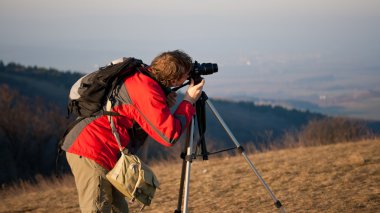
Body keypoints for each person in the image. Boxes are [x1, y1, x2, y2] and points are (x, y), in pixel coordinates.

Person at [61, 50, 205, 212]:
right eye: (185, 76)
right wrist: (188, 101)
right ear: (173, 80)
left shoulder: (142, 74)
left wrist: (164, 102)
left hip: (105, 150)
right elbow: (168, 136)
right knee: (97, 208)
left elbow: (133, 110)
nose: (187, 78)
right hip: (91, 150)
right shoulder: (146, 89)